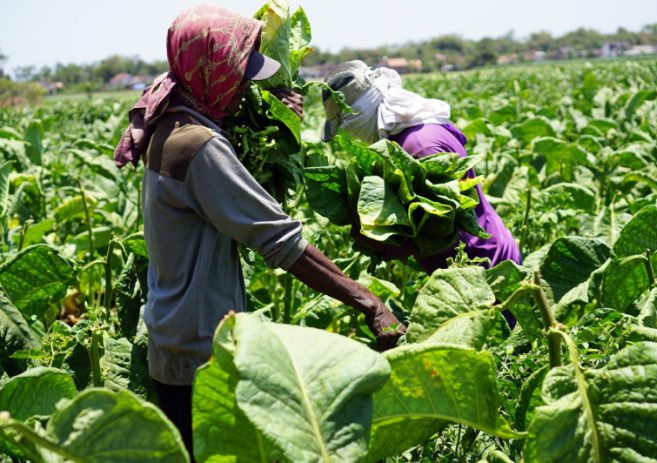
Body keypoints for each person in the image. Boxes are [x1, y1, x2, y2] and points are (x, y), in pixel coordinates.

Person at [114, 8, 404, 460]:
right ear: (209, 71)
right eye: (239, 75)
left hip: (175, 337)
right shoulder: (199, 146)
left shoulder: (168, 121)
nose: (246, 86)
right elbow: (281, 241)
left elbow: (221, 199)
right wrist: (369, 301)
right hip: (199, 351)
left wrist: (277, 125)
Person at [321, 60, 521, 274]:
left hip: (483, 268)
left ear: (359, 113)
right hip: (474, 261)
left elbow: (442, 229)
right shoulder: (412, 130)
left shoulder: (418, 146)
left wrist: (379, 243)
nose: (349, 132)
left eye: (344, 124)